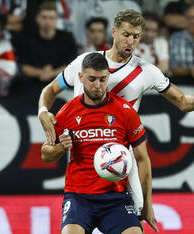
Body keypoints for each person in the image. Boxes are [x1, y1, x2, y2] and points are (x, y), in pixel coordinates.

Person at [38, 9, 194, 230]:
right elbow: (50, 90)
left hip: (121, 161)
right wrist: (42, 111)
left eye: (136, 36)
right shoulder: (84, 64)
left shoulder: (146, 71)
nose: (131, 41)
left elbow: (183, 101)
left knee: (135, 223)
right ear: (114, 32)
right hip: (84, 159)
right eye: (126, 34)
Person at [41, 53, 157, 233]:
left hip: (116, 198)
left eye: (102, 79)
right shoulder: (67, 112)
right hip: (79, 197)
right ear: (81, 77)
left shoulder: (125, 111)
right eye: (92, 79)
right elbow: (45, 155)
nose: (97, 85)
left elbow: (142, 158)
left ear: (108, 76)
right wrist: (60, 147)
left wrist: (147, 204)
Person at [21, 1, 77, 83]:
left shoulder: (67, 38)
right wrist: (41, 73)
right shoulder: (27, 38)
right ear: (37, 18)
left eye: (51, 18)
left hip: (60, 83)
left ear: (56, 19)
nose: (48, 21)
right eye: (44, 17)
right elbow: (24, 67)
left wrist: (51, 74)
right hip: (32, 84)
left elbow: (71, 66)